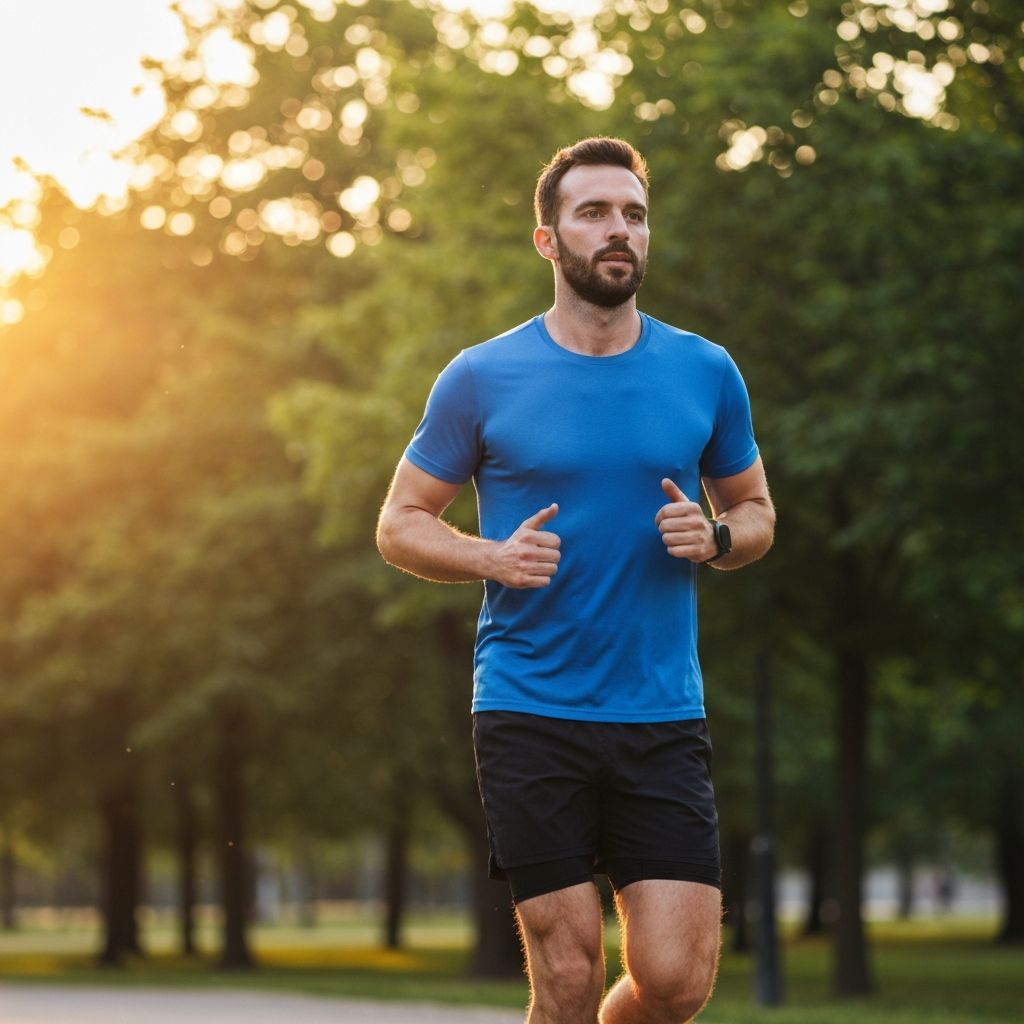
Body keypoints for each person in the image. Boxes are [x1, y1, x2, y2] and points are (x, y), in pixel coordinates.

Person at [376, 137, 775, 1024]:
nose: (618, 229)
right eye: (593, 212)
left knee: (674, 982)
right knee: (567, 973)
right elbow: (398, 522)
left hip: (662, 713)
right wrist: (489, 556)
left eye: (633, 213)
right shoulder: (480, 376)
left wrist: (714, 537)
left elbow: (756, 514)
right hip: (529, 707)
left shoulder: (705, 371)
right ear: (548, 240)